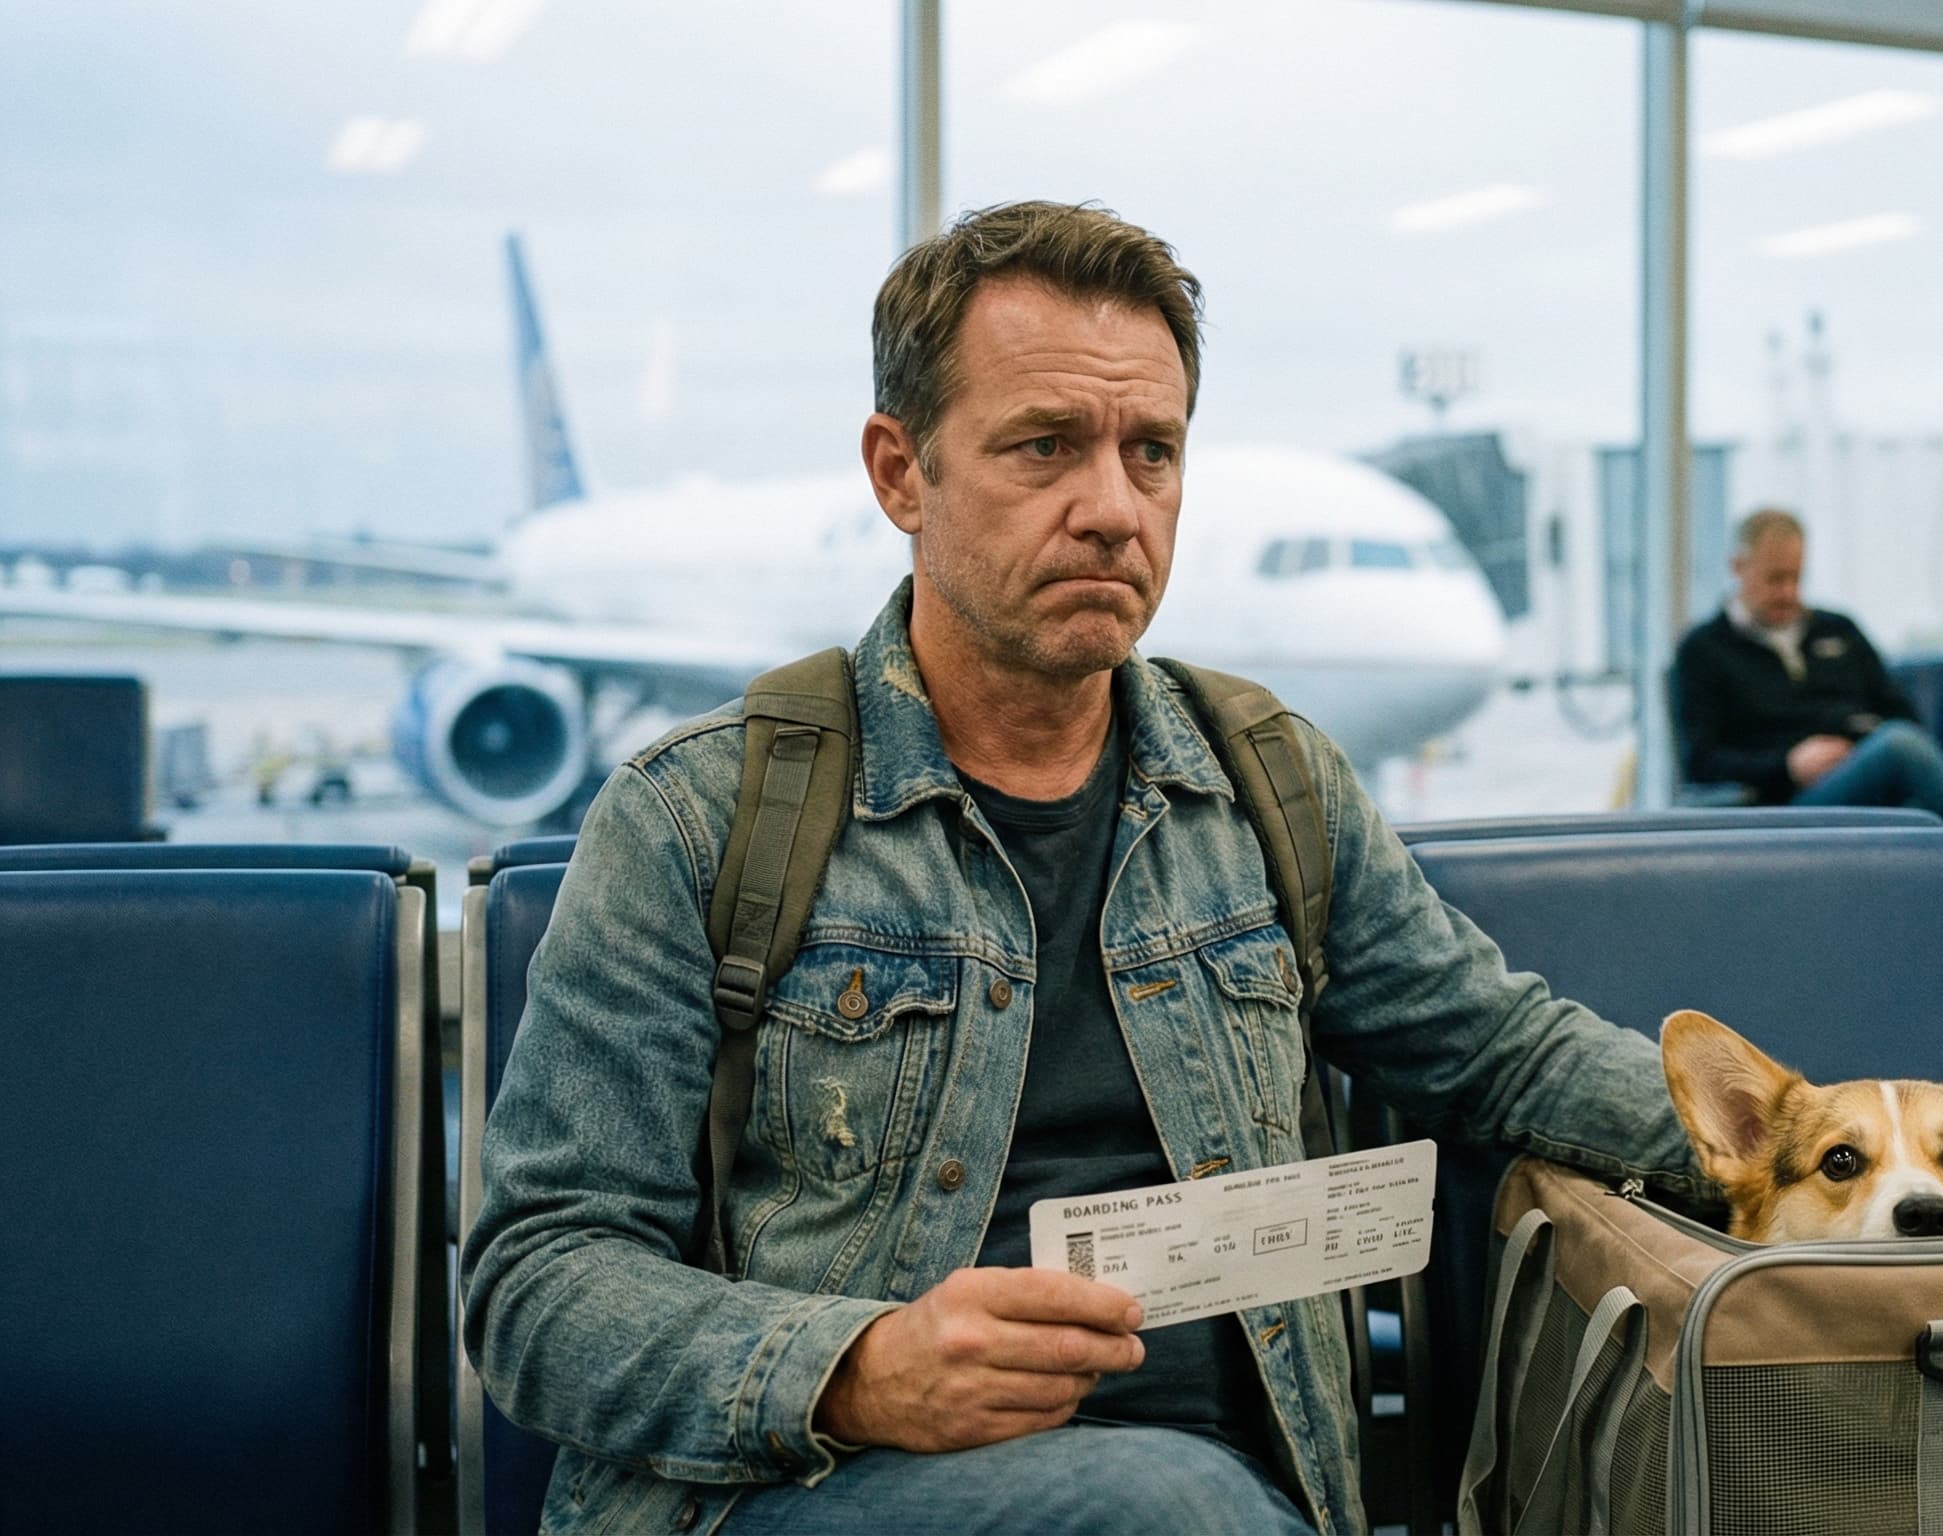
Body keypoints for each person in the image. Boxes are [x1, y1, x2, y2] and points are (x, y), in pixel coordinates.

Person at [463, 202, 1709, 1536]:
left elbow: (1504, 1054)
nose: (1113, 509)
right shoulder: (701, 819)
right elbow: (538, 1284)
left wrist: (1836, 1145)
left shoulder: (1265, 786)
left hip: (1246, 1495)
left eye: (1151, 453)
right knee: (1163, 1507)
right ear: (901, 473)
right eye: (1044, 448)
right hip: (809, 1484)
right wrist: (856, 1369)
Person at [1671, 508, 1943, 824]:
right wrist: (1788, 765)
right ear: (1738, 567)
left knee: (1911, 768)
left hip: (1867, 767)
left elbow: (1904, 715)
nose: (1789, 592)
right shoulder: (1704, 650)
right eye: (1775, 579)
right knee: (1900, 748)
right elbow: (1701, 761)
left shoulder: (1839, 630)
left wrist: (1860, 740)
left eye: (1796, 577)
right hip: (1784, 801)